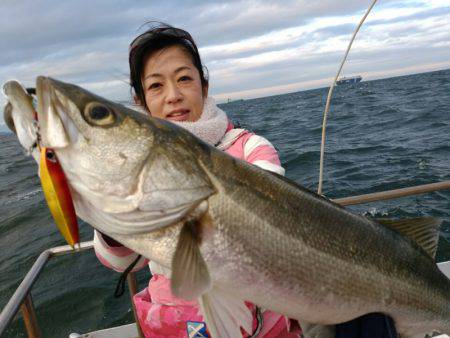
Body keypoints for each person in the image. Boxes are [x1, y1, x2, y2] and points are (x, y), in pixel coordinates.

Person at [93, 23, 301, 338]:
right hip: (175, 323)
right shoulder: (136, 166)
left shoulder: (250, 147)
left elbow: (266, 228)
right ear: (141, 101)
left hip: (260, 323)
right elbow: (120, 261)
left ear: (204, 86)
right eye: (156, 86)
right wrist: (112, 206)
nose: (174, 96)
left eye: (184, 79)